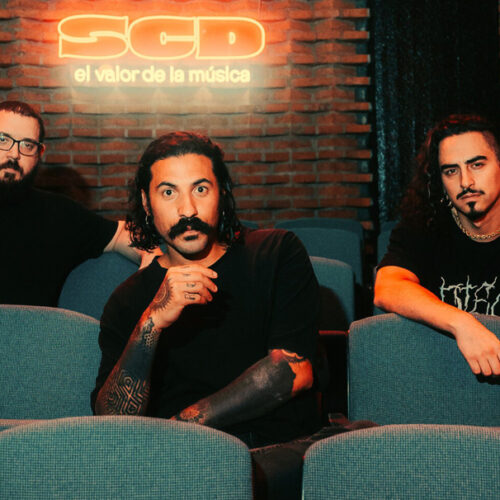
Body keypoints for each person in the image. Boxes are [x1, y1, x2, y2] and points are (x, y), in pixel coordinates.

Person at [92, 131, 375, 499]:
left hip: (273, 452)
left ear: (222, 194)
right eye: (168, 192)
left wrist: (181, 425)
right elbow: (113, 424)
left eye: (201, 189)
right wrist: (152, 322)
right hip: (177, 462)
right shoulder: (128, 300)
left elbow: (291, 371)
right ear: (147, 203)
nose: (188, 210)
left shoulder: (275, 253)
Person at [375, 113, 500, 377]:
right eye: (451, 171)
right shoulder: (424, 225)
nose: (465, 182)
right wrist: (462, 324)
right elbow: (387, 287)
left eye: (477, 165)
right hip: (440, 375)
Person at [0, 100, 160, 307]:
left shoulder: (58, 214)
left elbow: (121, 234)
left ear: (39, 154)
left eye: (27, 145)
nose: (14, 154)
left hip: (35, 328)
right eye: (3, 139)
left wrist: (152, 258)